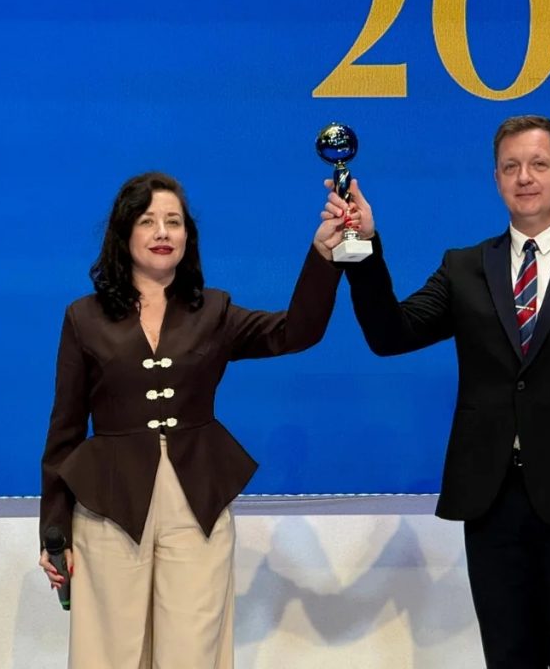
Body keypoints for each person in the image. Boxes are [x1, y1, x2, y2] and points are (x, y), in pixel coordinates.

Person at [323, 115, 550, 668]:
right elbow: (391, 335)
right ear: (496, 179)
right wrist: (361, 245)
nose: (524, 177)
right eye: (510, 167)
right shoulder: (465, 267)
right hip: (491, 500)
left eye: (538, 164)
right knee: (507, 657)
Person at [40, 171, 346, 668]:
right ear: (123, 233)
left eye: (174, 221)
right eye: (148, 221)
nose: (162, 232)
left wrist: (324, 255)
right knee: (108, 653)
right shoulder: (84, 317)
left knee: (193, 653)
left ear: (188, 235)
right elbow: (65, 429)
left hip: (195, 504)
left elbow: (296, 331)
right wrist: (54, 531)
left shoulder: (214, 311)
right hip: (109, 507)